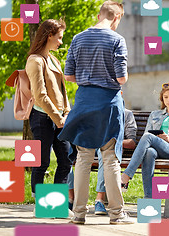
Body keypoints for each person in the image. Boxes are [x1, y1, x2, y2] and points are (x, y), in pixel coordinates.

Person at [58, 1, 132, 224]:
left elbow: (69, 75)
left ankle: (79, 214)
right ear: (117, 17)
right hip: (108, 103)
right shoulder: (117, 39)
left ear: (100, 15)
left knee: (82, 157)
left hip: (84, 102)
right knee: (109, 159)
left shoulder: (78, 38)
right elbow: (121, 78)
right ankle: (116, 214)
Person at [121, 82, 169, 198]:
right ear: (162, 98)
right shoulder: (155, 114)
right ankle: (149, 200)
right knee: (149, 152)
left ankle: (127, 175)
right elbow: (147, 134)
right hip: (154, 149)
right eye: (166, 97)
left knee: (148, 137)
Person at [25, 19, 71, 199]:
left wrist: (66, 112)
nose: (60, 41)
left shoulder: (54, 60)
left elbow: (62, 90)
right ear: (49, 35)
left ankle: (56, 202)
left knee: (66, 161)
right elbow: (40, 95)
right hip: (43, 118)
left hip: (60, 118)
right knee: (42, 163)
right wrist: (58, 118)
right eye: (59, 37)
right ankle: (39, 203)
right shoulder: (35, 60)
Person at [67, 108, 137, 215]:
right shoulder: (95, 110)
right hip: (90, 145)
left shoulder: (126, 114)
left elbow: (131, 142)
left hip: (108, 148)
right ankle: (71, 197)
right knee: (66, 151)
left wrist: (114, 141)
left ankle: (99, 200)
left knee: (104, 150)